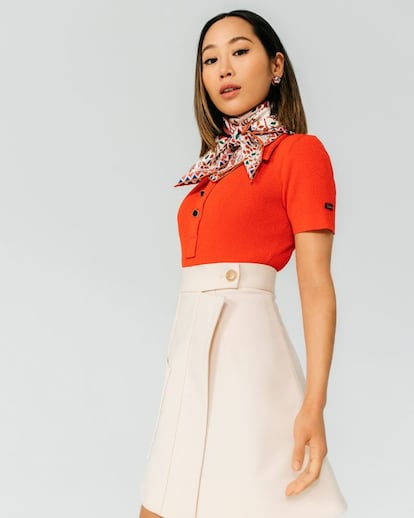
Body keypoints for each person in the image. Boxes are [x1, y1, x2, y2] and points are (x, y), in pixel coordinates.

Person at [138, 9, 348, 518]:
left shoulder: (299, 154)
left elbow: (315, 284)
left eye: (239, 51)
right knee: (162, 504)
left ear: (276, 65)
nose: (224, 69)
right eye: (210, 60)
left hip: (248, 358)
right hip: (189, 357)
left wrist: (314, 403)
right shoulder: (211, 169)